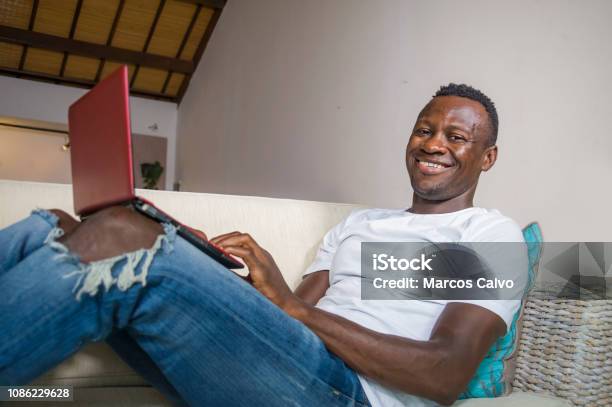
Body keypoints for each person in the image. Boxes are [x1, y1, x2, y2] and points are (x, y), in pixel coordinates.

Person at [0, 84, 527, 407]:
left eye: (456, 137)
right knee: (56, 223)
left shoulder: (486, 235)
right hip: (293, 365)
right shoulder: (360, 225)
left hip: (352, 395)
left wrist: (290, 305)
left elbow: (443, 374)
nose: (433, 143)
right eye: (424, 129)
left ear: (488, 157)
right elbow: (288, 316)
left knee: (121, 235)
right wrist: (200, 268)